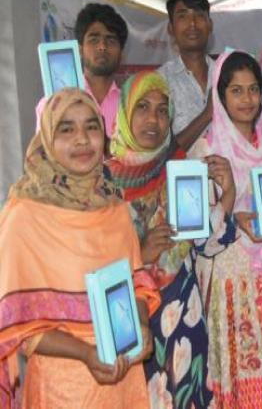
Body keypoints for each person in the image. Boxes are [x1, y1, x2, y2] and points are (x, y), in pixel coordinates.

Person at [0, 88, 160, 407]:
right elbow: (18, 322)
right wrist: (87, 353)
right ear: (47, 138)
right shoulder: (24, 216)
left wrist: (142, 326)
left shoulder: (113, 206)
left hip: (124, 380)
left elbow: (137, 286)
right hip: (63, 387)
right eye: (66, 129)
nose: (83, 139)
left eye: (91, 126)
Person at [106, 71, 237, 407]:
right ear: (124, 112)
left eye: (162, 110)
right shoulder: (103, 185)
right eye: (143, 107)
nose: (153, 119)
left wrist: (228, 194)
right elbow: (90, 264)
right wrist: (140, 253)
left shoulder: (178, 169)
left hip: (184, 316)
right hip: (132, 322)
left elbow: (205, 243)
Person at [190, 51, 262, 408]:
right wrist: (236, 218)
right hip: (227, 276)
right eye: (236, 90)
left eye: (253, 89)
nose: (247, 99)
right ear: (220, 96)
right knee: (235, 366)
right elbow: (197, 233)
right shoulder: (206, 149)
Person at [36, 3, 128, 138]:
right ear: (80, 49)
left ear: (122, 54)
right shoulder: (53, 103)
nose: (102, 46)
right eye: (94, 40)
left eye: (111, 40)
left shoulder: (130, 106)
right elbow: (43, 151)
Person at [159, 0, 215, 151]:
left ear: (210, 25)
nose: (192, 24)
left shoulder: (227, 75)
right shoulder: (159, 82)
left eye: (199, 15)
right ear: (171, 28)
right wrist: (208, 114)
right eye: (183, 16)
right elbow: (159, 154)